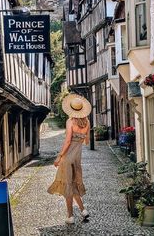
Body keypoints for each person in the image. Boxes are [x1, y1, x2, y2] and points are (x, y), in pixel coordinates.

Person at [47, 93, 91, 224]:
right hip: (77, 158)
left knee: (67, 188)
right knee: (73, 186)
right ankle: (83, 210)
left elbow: (67, 142)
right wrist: (80, 137)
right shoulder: (87, 122)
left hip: (67, 158)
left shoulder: (70, 121)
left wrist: (59, 157)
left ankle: (70, 217)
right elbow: (87, 142)